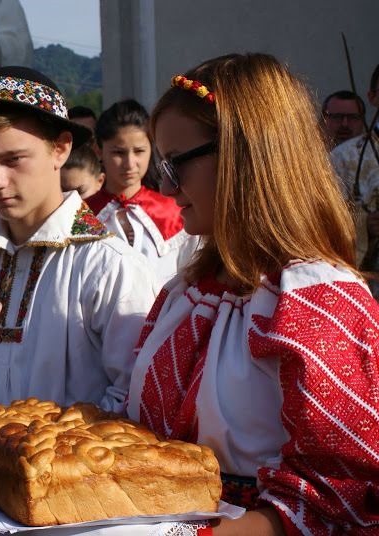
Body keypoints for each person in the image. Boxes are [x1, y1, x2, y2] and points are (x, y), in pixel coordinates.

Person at [126, 53, 379, 534]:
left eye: (175, 164)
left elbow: (342, 493)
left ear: (244, 159)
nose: (164, 185)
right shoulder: (187, 290)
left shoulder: (317, 300)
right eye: (161, 165)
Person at [0, 66, 157, 411]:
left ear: (61, 149)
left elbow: (136, 395)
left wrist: (53, 439)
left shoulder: (110, 267)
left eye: (13, 159)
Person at [86, 99, 200, 286]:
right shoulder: (82, 214)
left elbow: (190, 277)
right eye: (118, 153)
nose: (130, 164)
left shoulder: (175, 212)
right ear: (98, 151)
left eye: (139, 151)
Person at [330, 64, 379, 288]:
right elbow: (326, 222)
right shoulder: (343, 157)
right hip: (368, 279)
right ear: (373, 97)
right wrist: (364, 224)